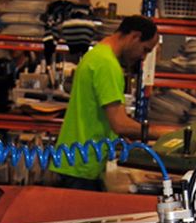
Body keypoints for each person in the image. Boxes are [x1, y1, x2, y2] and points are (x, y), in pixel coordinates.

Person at [49, 14, 159, 191]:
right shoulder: (107, 64)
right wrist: (164, 134)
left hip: (76, 160)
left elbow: (96, 113)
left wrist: (120, 138)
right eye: (145, 50)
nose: (143, 57)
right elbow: (120, 124)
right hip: (81, 165)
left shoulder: (97, 55)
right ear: (135, 37)